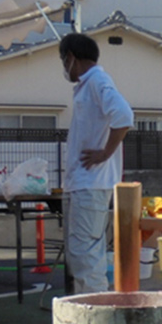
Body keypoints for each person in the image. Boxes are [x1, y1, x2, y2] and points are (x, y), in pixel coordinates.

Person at [60, 33, 134, 294]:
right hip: (84, 184)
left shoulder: (97, 81)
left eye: (63, 60)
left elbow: (124, 116)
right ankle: (88, 311)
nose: (64, 68)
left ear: (70, 57)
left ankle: (97, 315)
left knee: (86, 258)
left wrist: (105, 153)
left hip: (91, 184)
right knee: (81, 256)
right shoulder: (89, 83)